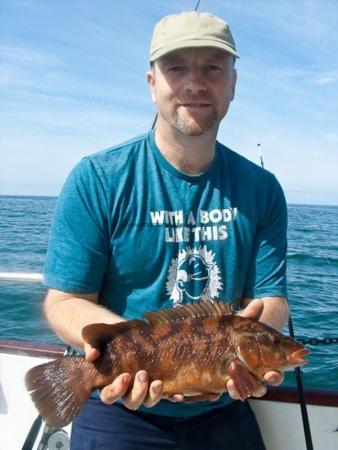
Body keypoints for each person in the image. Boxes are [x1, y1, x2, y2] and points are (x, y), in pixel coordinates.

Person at [43, 11, 289, 450]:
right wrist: (125, 352)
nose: (195, 83)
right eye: (176, 67)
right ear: (151, 81)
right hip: (117, 405)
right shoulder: (97, 178)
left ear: (233, 82)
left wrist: (253, 345)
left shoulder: (263, 189)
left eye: (213, 67)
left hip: (224, 408)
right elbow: (64, 302)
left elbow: (271, 299)